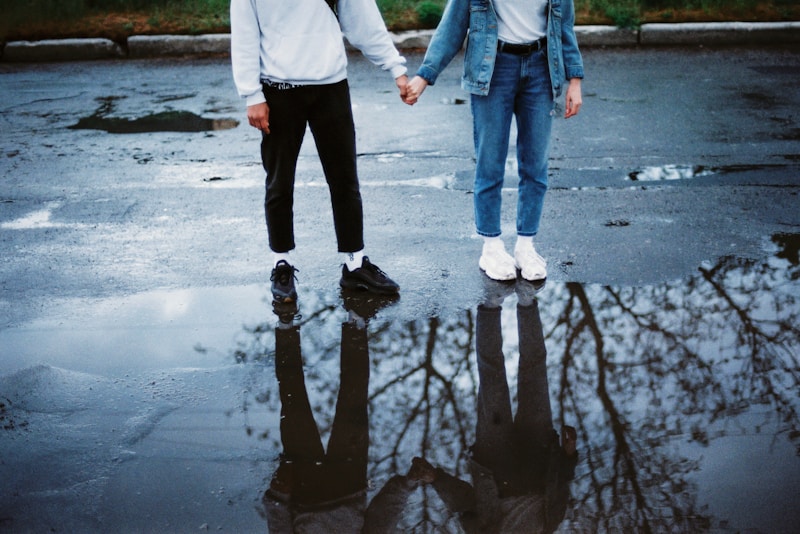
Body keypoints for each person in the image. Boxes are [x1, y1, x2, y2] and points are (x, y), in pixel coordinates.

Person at [230, 0, 406, 303]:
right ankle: (281, 264)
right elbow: (244, 34)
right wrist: (252, 94)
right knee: (279, 182)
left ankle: (354, 264)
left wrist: (395, 67)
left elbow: (362, 18)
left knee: (345, 180)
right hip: (278, 89)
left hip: (331, 86)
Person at [404, 0, 584, 282]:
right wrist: (425, 76)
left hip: (541, 68)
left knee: (535, 164)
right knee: (490, 162)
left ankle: (526, 245)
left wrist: (575, 80)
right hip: (493, 67)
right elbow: (452, 26)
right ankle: (491, 246)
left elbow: (563, 25)